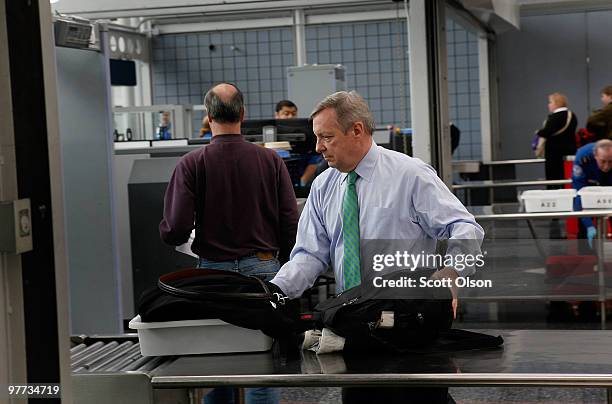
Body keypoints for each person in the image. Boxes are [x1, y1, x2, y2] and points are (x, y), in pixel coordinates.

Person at [270, 91, 484, 403]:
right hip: (353, 327)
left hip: (408, 326)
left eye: (326, 136)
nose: (318, 147)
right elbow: (309, 255)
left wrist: (451, 272)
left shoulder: (409, 175)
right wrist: (275, 291)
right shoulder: (324, 185)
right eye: (318, 137)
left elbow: (464, 228)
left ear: (356, 130)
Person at [160, 83, 299, 404]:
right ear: (243, 115)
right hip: (263, 271)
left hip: (213, 275)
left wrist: (170, 233)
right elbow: (289, 221)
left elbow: (177, 228)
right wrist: (289, 266)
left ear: (208, 118)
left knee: (217, 365)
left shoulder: (192, 163)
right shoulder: (270, 162)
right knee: (262, 371)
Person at [572, 139, 612, 248]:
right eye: (603, 161)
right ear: (595, 156)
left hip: (610, 179)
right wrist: (589, 225)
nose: (606, 166)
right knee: (584, 227)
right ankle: (586, 259)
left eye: (610, 161)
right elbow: (578, 193)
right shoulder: (582, 157)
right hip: (589, 180)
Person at [275, 99, 322, 186]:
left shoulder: (306, 134)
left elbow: (314, 159)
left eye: (293, 114)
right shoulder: (272, 135)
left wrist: (302, 182)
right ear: (277, 115)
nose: (290, 117)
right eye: (286, 114)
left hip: (302, 182)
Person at [535, 93, 578, 187]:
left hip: (554, 152)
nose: (548, 105)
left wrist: (538, 132)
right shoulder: (572, 115)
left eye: (550, 102)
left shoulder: (554, 117)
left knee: (553, 178)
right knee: (568, 176)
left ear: (556, 104)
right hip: (570, 150)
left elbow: (547, 132)